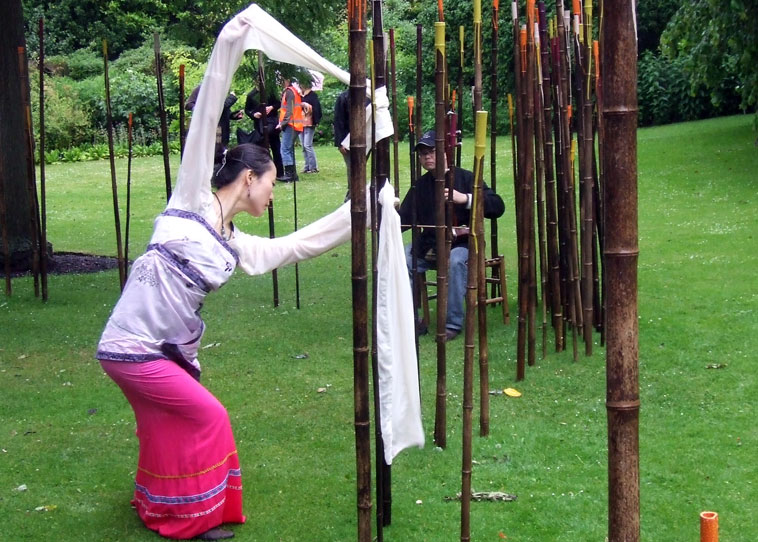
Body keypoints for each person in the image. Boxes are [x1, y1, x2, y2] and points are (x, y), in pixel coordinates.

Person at [96, 141, 356, 540]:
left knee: (162, 425)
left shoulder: (232, 241)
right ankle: (192, 519)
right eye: (271, 183)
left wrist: (356, 214)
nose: (273, 194)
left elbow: (291, 247)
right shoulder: (189, 202)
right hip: (133, 349)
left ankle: (158, 503)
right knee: (209, 416)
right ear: (249, 178)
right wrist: (222, 73)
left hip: (160, 352)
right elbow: (205, 117)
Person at [397, 130, 505, 342]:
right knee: (403, 259)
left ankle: (453, 323)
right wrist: (383, 220)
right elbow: (403, 220)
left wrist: (464, 198)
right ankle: (412, 320)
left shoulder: (465, 178)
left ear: (445, 152)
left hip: (464, 245)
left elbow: (498, 206)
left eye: (432, 152)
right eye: (423, 154)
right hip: (430, 246)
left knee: (455, 261)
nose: (427, 157)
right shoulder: (420, 186)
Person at [242, 89, 284, 179]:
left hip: (272, 123)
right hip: (259, 125)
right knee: (262, 150)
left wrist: (272, 107)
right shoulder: (251, 95)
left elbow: (279, 103)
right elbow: (247, 110)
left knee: (276, 148)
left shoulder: (270, 92)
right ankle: (265, 172)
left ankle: (280, 172)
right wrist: (253, 114)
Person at [275, 77, 306, 182]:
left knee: (285, 149)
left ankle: (289, 175)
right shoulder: (292, 91)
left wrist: (282, 123)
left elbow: (289, 110)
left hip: (291, 124)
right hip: (294, 124)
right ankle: (293, 175)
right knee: (289, 149)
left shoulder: (290, 92)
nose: (280, 82)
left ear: (287, 80)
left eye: (282, 80)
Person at [299, 81, 322, 174]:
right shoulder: (300, 96)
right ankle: (307, 166)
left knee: (307, 145)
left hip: (309, 123)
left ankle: (313, 167)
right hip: (301, 122)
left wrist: (316, 121)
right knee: (303, 146)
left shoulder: (313, 96)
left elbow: (317, 109)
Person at [333, 89, 351, 200]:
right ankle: (351, 196)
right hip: (347, 141)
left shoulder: (368, 96)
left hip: (366, 138)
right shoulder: (344, 97)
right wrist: (340, 143)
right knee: (352, 168)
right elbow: (339, 121)